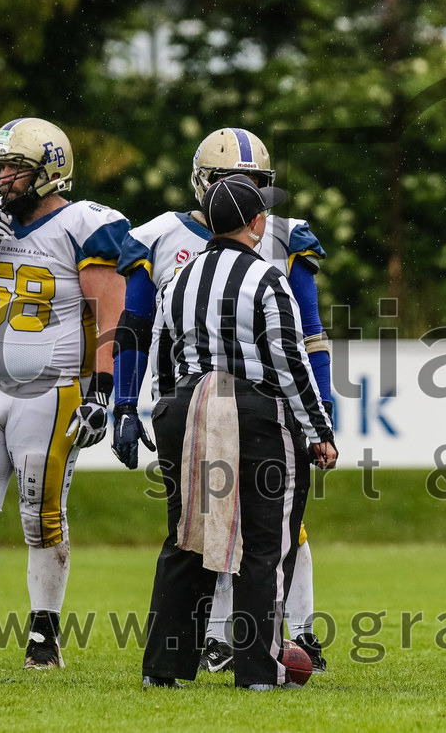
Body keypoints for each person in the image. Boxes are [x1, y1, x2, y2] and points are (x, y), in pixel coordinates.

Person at [111, 127, 332, 673]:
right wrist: (317, 425)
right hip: (257, 408)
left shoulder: (178, 278)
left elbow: (155, 345)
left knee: (187, 536)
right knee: (265, 539)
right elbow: (291, 356)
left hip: (185, 405)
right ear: (253, 218)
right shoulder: (265, 274)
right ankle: (258, 664)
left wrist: (154, 410)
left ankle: (164, 665)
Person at [0, 118, 127, 669]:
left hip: (51, 391)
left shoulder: (85, 224)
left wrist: (105, 391)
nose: (2, 178)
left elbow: (111, 313)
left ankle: (44, 635)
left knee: (40, 515)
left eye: (14, 168)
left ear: (49, 172)